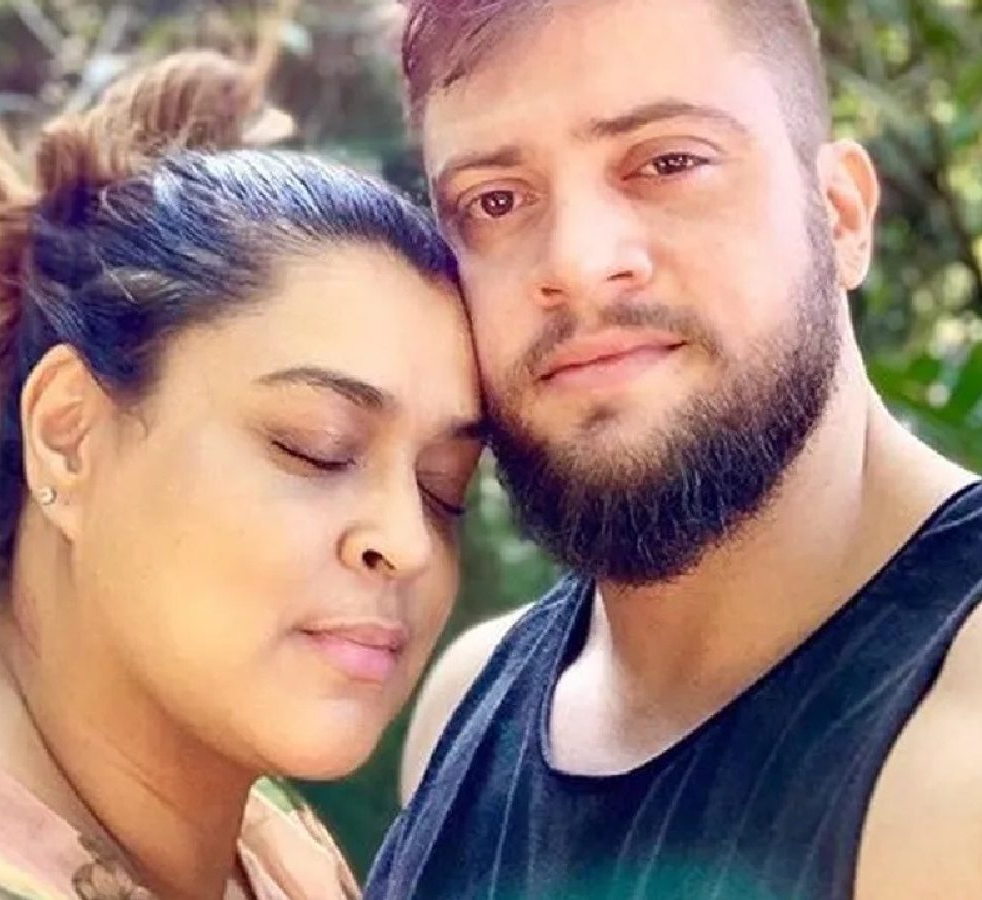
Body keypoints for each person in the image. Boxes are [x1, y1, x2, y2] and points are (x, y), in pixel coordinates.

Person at [0, 47, 484, 900]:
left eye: (444, 485)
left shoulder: (260, 829)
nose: (408, 542)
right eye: (317, 446)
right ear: (68, 436)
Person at [368, 1, 982, 898]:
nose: (578, 261)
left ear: (841, 216)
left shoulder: (959, 754)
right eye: (495, 201)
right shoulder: (462, 704)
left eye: (669, 162)